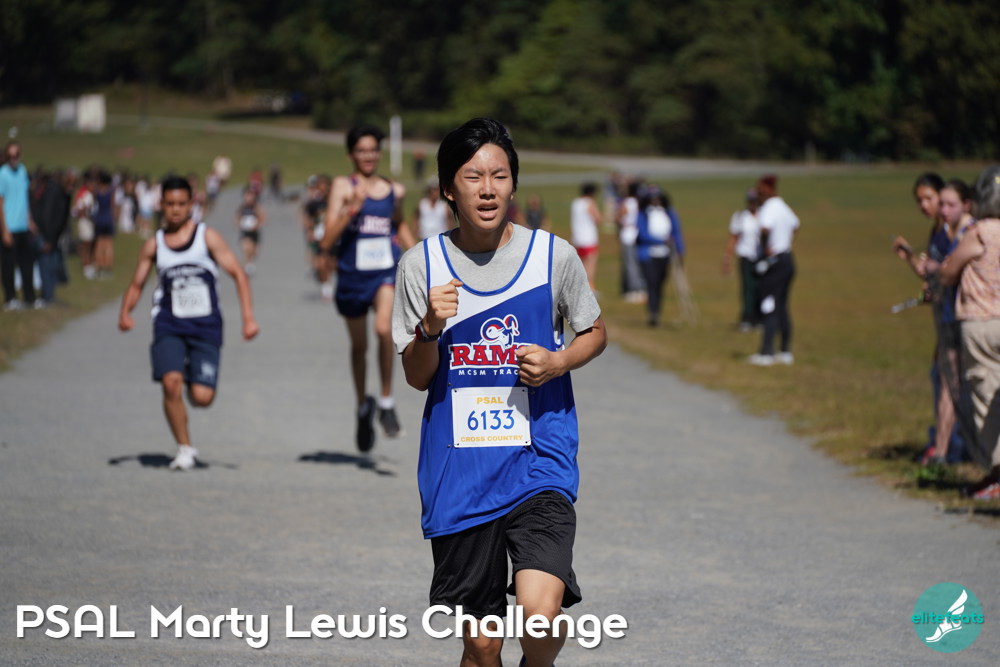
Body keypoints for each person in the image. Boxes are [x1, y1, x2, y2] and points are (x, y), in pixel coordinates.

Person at [392, 117, 606, 667]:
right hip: (461, 477)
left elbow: (594, 332)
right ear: (448, 188)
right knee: (483, 645)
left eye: (499, 176)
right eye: (473, 177)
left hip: (539, 464)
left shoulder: (552, 256)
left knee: (540, 616)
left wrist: (559, 361)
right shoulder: (421, 266)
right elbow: (417, 376)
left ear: (513, 184)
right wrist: (429, 328)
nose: (487, 190)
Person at [118, 176, 259, 470]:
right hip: (169, 324)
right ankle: (184, 448)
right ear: (161, 204)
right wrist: (125, 312)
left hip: (206, 327)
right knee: (171, 384)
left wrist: (248, 318)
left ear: (191, 204)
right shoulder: (154, 245)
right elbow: (137, 284)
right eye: (170, 203)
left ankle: (190, 375)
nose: (175, 209)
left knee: (202, 397)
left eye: (181, 203)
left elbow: (238, 274)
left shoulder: (207, 238)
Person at [320, 124, 414, 451]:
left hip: (383, 273)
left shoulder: (394, 190)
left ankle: (386, 402)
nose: (368, 156)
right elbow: (327, 240)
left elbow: (400, 225)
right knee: (359, 348)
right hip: (351, 277)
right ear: (351, 154)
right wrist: (351, 209)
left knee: (384, 329)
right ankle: (363, 406)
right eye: (361, 150)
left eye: (373, 149)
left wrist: (421, 254)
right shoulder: (343, 186)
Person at [941, 165, 1000, 500]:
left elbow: (949, 271)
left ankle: (997, 471)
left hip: (982, 323)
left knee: (986, 395)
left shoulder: (980, 232)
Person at [748, 174, 799, 366]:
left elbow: (765, 229)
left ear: (768, 188)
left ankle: (767, 353)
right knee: (782, 306)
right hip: (787, 259)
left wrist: (766, 247)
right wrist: (784, 242)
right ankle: (785, 351)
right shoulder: (783, 207)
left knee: (769, 305)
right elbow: (795, 225)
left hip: (774, 262)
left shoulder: (769, 207)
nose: (758, 192)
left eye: (760, 188)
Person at [0, 140, 39, 310]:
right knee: (8, 265)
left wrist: (29, 220)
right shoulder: (2, 174)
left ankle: (30, 298)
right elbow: (0, 202)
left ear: (20, 155)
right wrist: (4, 230)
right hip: (9, 226)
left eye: (15, 155)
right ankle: (10, 298)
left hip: (23, 226)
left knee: (27, 264)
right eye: (9, 155)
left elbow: (25, 197)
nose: (12, 158)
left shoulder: (22, 171)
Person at [635, 187, 676, 326]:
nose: (655, 201)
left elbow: (676, 231)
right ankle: (653, 313)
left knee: (660, 284)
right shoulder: (644, 214)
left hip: (664, 254)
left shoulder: (667, 213)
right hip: (649, 255)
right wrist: (661, 241)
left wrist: (679, 249)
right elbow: (643, 235)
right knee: (652, 283)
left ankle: (657, 310)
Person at [722, 188, 762, 331]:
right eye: (750, 201)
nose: (752, 204)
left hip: (761, 257)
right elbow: (734, 238)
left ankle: (759, 318)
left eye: (755, 201)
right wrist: (727, 257)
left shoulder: (764, 215)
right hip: (745, 256)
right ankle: (746, 318)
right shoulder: (740, 217)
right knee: (747, 288)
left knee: (760, 288)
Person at [29, 168, 70, 306]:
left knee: (52, 266)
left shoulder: (60, 191)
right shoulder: (54, 191)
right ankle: (47, 296)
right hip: (46, 236)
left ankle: (50, 295)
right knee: (46, 266)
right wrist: (48, 239)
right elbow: (47, 216)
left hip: (52, 236)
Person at [303, 174, 336, 302]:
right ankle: (326, 288)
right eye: (319, 187)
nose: (322, 190)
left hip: (335, 238)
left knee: (333, 264)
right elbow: (309, 217)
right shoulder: (314, 204)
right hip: (320, 238)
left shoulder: (335, 202)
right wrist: (310, 231)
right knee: (321, 264)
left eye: (324, 187)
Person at [617, 180, 646, 304]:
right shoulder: (640, 203)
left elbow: (618, 217)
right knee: (637, 263)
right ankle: (639, 286)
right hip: (637, 234)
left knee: (630, 264)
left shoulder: (627, 202)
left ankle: (633, 288)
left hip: (628, 235)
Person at [570, 182, 602, 291]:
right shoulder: (590, 203)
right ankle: (590, 288)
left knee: (580, 266)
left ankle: (579, 288)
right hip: (589, 239)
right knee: (590, 266)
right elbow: (598, 218)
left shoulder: (575, 203)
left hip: (577, 238)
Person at [235, 186, 266, 276]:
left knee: (254, 251)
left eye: (251, 196)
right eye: (248, 195)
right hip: (245, 233)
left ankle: (249, 263)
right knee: (246, 248)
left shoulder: (256, 207)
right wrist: (240, 225)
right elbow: (237, 218)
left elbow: (263, 217)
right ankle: (247, 267)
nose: (249, 198)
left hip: (255, 233)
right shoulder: (242, 207)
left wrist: (257, 225)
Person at [92, 170, 117, 279]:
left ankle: (99, 266)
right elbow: (113, 206)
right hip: (108, 218)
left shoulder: (97, 191)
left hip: (99, 218)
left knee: (99, 244)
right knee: (108, 245)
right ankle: (108, 267)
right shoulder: (110, 192)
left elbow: (94, 204)